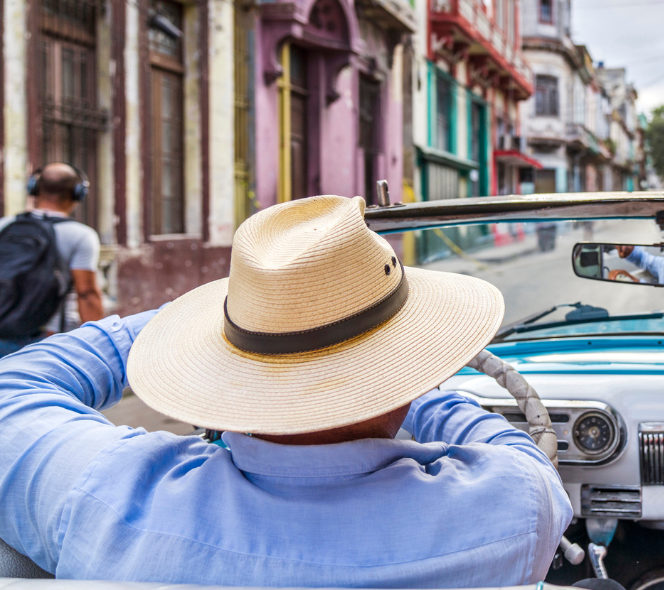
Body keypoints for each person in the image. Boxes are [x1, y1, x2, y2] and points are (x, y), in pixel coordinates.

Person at [0, 195, 572, 586]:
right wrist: (425, 387)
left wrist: (191, 324)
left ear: (228, 370)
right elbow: (529, 462)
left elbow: (15, 389)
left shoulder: (106, 494)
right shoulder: (511, 508)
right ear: (411, 377)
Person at [0, 163, 102, 356]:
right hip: (43, 339)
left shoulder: (5, 225)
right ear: (77, 193)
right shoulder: (80, 236)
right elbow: (87, 293)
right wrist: (96, 344)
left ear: (34, 189)